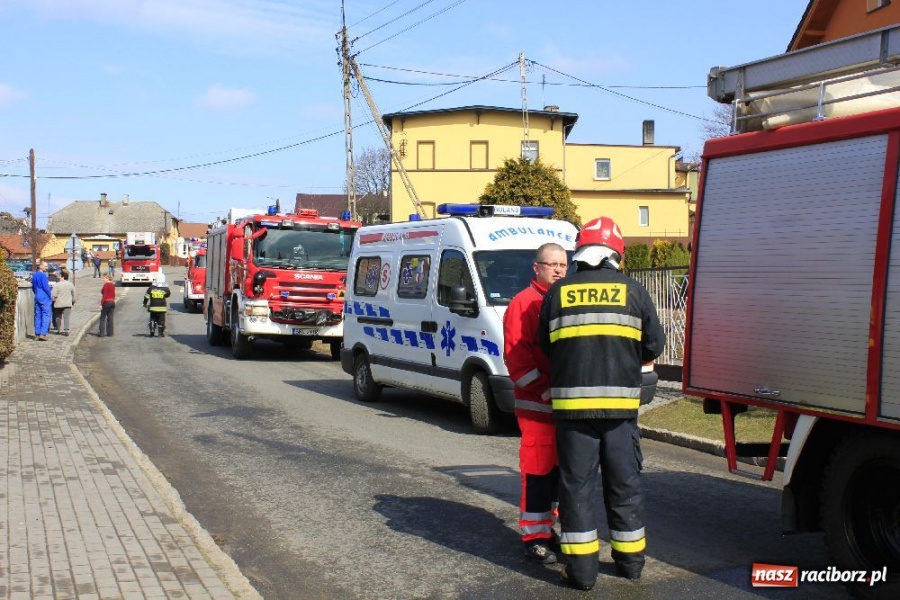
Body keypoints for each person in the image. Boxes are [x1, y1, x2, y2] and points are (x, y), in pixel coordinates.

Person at [538, 216, 666, 591]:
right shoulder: (634, 291)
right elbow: (654, 345)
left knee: (576, 490)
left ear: (580, 253)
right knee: (624, 485)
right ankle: (631, 565)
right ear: (615, 254)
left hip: (573, 415)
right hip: (620, 415)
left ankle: (582, 573)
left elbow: (547, 347)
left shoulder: (557, 294)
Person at [503, 243, 568, 565]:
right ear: (537, 268)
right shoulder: (523, 303)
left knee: (557, 474)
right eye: (551, 264)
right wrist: (545, 392)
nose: (558, 270)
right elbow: (517, 361)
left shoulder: (562, 302)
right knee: (539, 473)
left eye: (563, 265)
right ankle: (535, 536)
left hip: (563, 409)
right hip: (538, 408)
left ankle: (548, 528)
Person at [31, 260, 52, 341]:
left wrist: (36, 293)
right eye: (45, 266)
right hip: (44, 297)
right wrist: (50, 295)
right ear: (41, 266)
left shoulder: (34, 275)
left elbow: (33, 287)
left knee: (38, 315)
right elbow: (46, 287)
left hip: (37, 296)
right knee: (46, 315)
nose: (46, 267)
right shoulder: (43, 276)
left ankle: (37, 333)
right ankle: (43, 333)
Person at [51, 270, 76, 336]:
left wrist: (54, 301)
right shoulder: (70, 284)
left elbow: (53, 295)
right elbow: (74, 294)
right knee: (66, 317)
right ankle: (66, 330)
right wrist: (73, 302)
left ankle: (58, 329)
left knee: (58, 317)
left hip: (58, 303)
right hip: (68, 303)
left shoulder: (57, 285)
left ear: (62, 277)